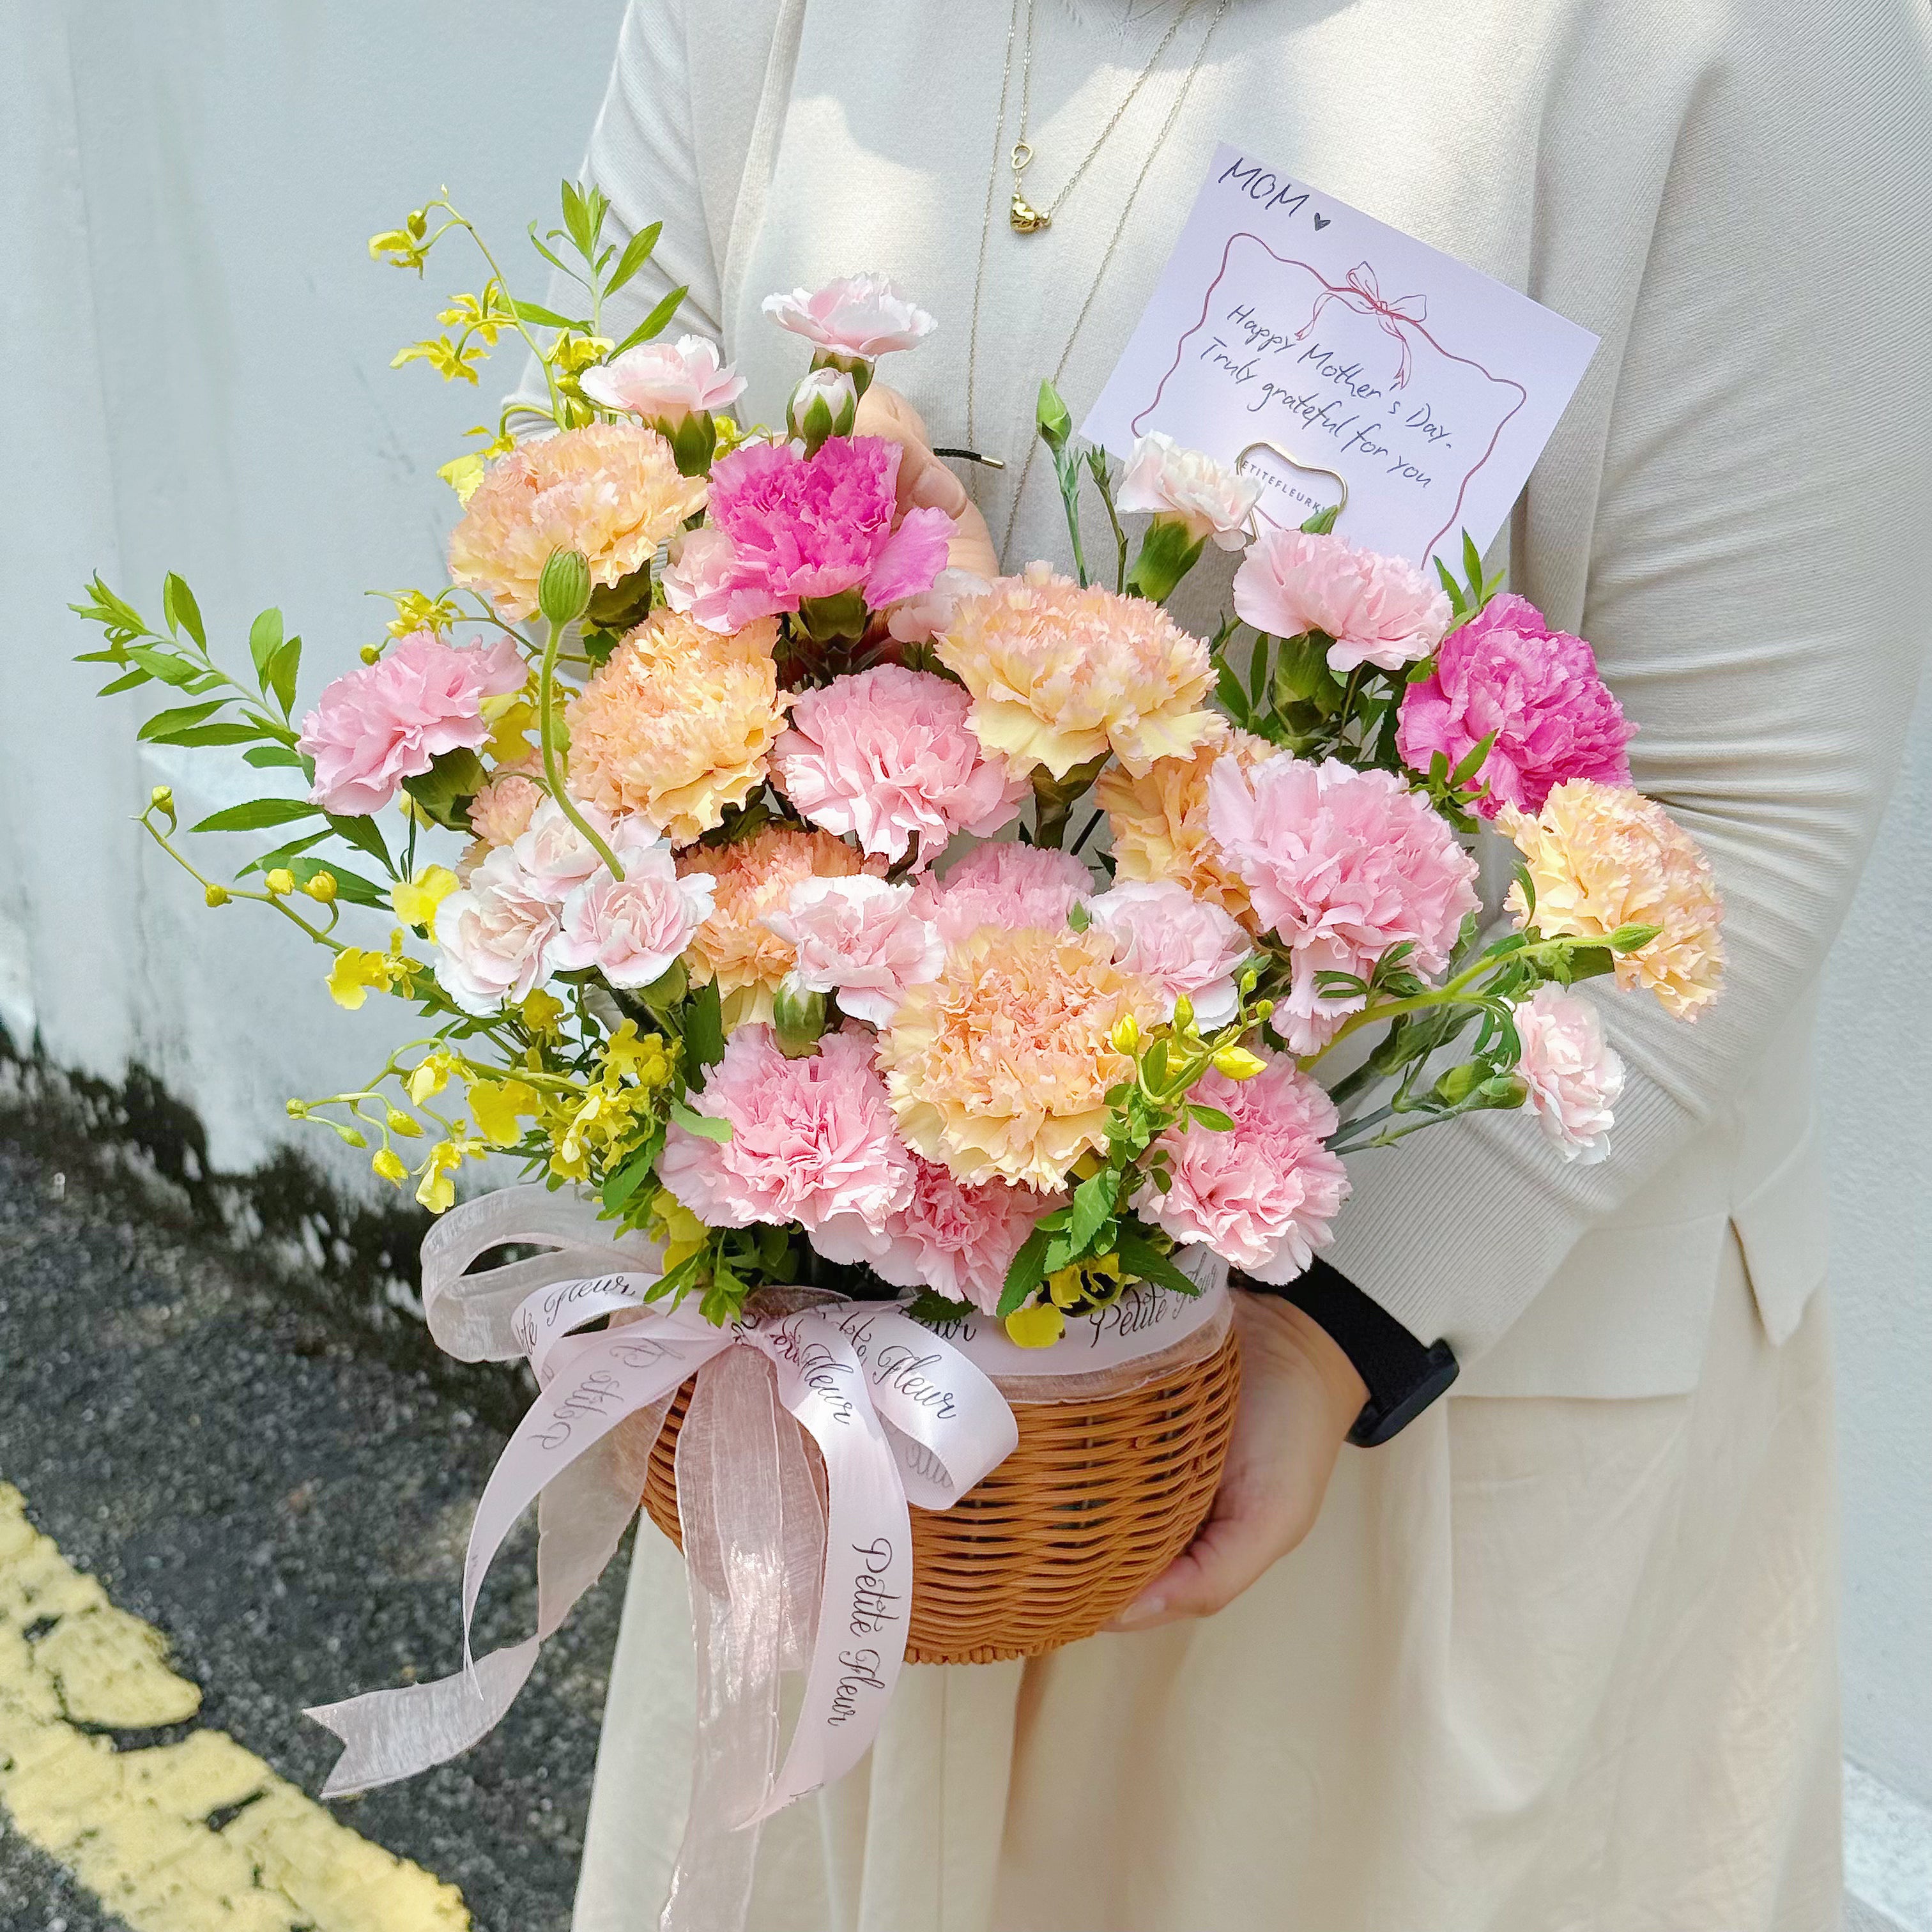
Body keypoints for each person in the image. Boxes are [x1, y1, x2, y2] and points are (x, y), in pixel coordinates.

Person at [532, 4, 1932, 1927]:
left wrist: (1319, 1328)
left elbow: (1737, 805)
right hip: (855, 1396)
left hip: (1396, 1426)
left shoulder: (1712, 46)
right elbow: (580, 519)